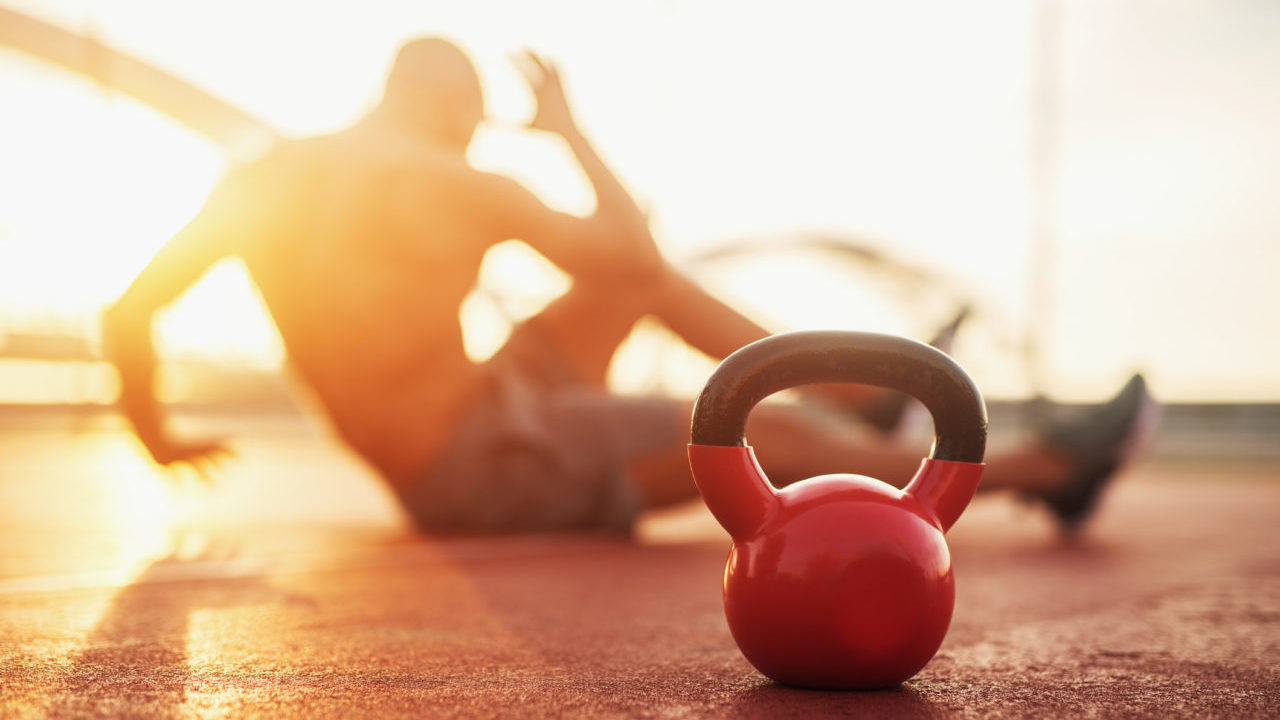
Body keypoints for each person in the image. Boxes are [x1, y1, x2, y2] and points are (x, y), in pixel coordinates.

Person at [103, 38, 1155, 537]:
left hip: (479, 407)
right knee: (745, 437)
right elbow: (625, 244)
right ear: (460, 112)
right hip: (479, 472)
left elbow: (129, 309)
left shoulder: (260, 183)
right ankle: (1043, 469)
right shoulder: (461, 184)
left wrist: (158, 435)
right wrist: (568, 133)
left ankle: (852, 398)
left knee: (627, 293)